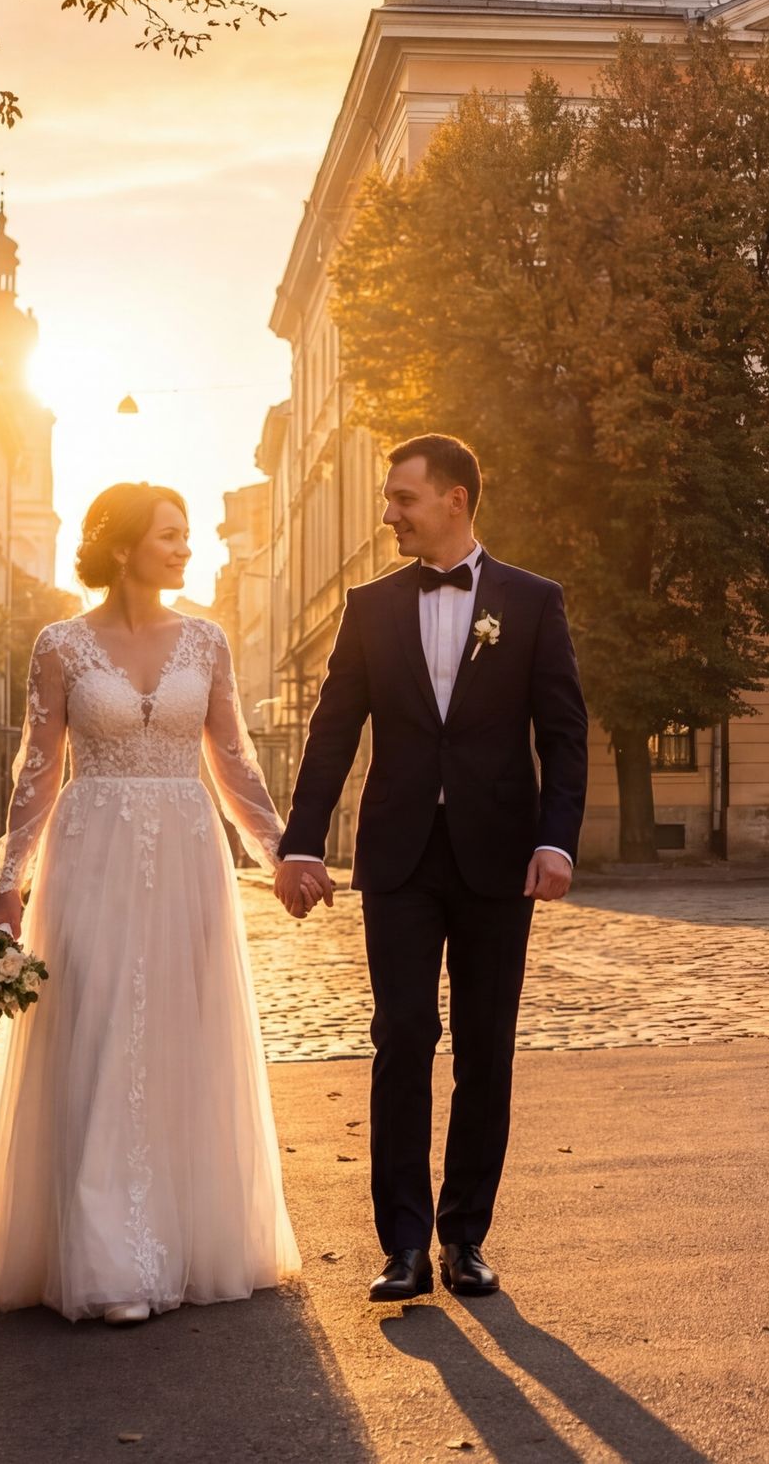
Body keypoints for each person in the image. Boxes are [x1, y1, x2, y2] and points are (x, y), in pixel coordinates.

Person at [0, 483, 301, 1324]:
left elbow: (235, 762)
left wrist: (282, 854)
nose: (185, 549)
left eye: (185, 536)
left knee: (180, 1031)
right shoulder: (61, 645)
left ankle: (183, 1238)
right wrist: (10, 883)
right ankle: (107, 1256)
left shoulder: (207, 641)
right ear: (123, 545)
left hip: (186, 853)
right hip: (92, 851)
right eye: (170, 536)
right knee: (101, 1027)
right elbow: (39, 768)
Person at [276, 433, 588, 1304]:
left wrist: (557, 838)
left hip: (501, 855)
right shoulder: (369, 607)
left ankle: (465, 1236)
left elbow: (563, 732)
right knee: (402, 1038)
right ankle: (404, 1242)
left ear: (454, 499)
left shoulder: (532, 601)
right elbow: (334, 729)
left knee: (486, 1047)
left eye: (402, 499)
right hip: (401, 856)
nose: (388, 515)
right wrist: (302, 841)